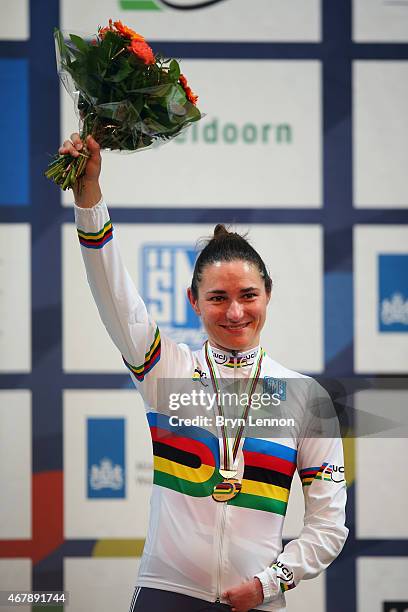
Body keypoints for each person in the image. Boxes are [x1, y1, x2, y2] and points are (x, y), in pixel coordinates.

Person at [61, 133, 348, 612]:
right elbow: (114, 293)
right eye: (218, 298)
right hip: (164, 594)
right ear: (194, 302)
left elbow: (328, 525)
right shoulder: (167, 371)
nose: (235, 312)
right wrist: (89, 196)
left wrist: (270, 582)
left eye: (248, 296)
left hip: (257, 602)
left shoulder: (306, 399)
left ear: (268, 295)